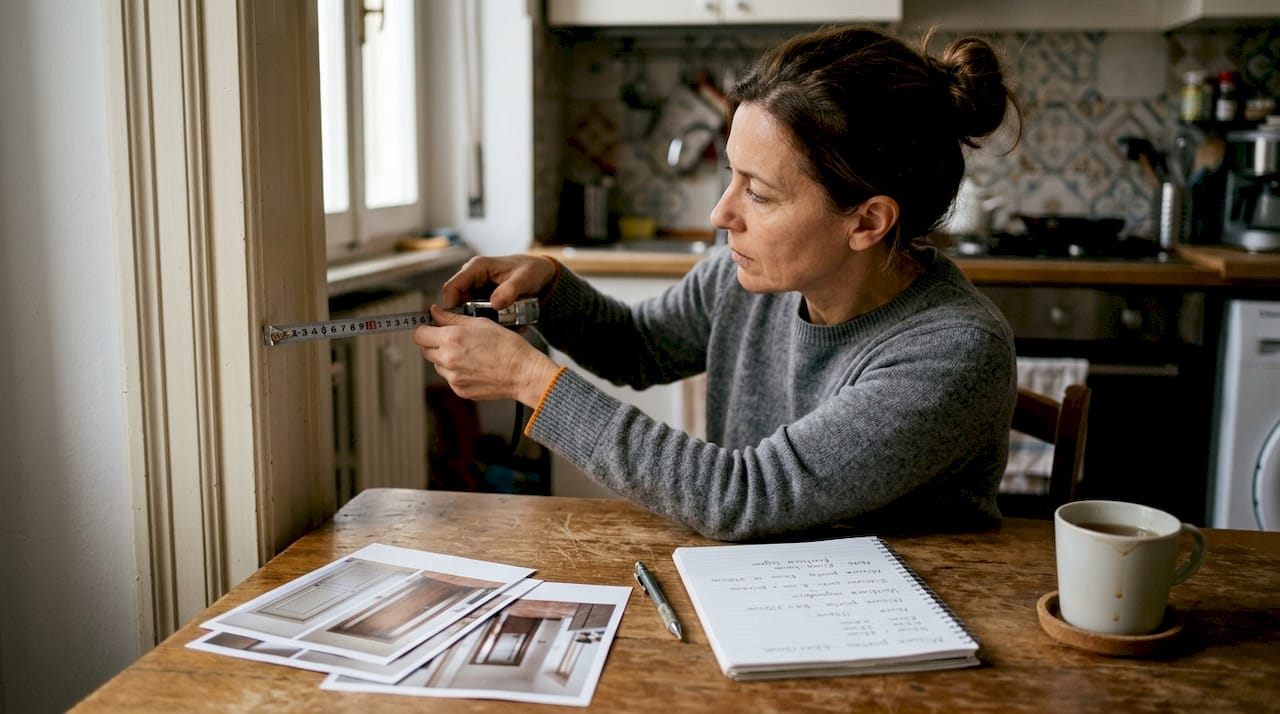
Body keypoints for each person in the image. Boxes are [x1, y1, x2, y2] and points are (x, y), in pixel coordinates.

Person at [414, 25, 1021, 541]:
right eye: (733, 176)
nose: (721, 214)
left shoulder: (954, 349)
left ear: (866, 221)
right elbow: (638, 347)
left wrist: (529, 380)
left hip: (917, 636)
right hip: (767, 592)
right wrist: (549, 287)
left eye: (758, 192)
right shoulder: (748, 277)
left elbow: (742, 496)